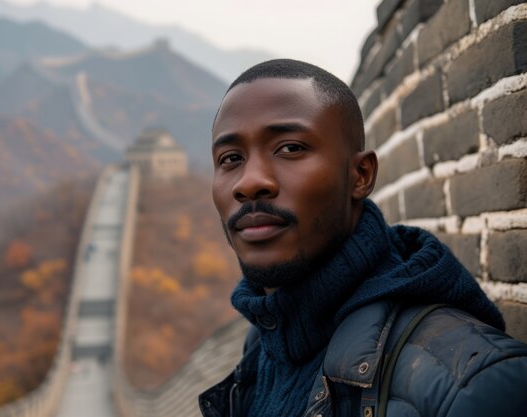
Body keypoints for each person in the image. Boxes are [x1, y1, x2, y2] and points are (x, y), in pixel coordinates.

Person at [199, 59, 527, 417]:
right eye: (231, 158)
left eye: (290, 148)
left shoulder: (474, 386)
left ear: (360, 175)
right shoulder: (261, 352)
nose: (249, 182)